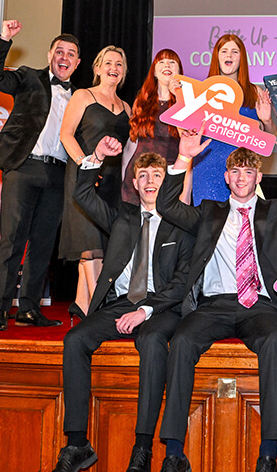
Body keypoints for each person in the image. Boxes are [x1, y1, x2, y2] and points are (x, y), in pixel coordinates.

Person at [155, 125, 277, 472]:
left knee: (274, 342)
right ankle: (173, 451)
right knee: (183, 340)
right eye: (235, 170)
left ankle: (268, 453)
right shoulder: (208, 211)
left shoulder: (276, 211)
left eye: (248, 171)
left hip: (261, 305)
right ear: (226, 176)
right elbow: (167, 206)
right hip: (216, 303)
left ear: (258, 176)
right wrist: (184, 156)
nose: (241, 177)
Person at [51, 141, 195, 472]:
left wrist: (145, 311)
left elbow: (180, 283)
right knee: (75, 340)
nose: (149, 181)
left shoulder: (182, 222)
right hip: (120, 303)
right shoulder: (123, 217)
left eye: (156, 175)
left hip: (161, 308)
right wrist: (97, 157)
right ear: (133, 181)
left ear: (166, 180)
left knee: (151, 340)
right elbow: (83, 195)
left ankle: (142, 448)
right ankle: (76, 444)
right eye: (142, 174)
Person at [0, 20, 80, 331]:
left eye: (71, 54)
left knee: (42, 245)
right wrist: (4, 39)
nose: (65, 57)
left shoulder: (80, 97)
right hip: (24, 167)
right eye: (60, 51)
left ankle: (28, 309)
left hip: (57, 174)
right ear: (50, 54)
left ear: (78, 63)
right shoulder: (29, 78)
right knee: (12, 242)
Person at [58, 45, 131, 318]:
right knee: (90, 246)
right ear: (97, 68)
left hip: (112, 184)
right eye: (108, 62)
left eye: (119, 64)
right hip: (84, 178)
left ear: (123, 73)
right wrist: (86, 164)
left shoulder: (127, 107)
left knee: (101, 244)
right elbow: (66, 135)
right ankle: (99, 314)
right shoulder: (83, 96)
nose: (114, 67)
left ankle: (81, 303)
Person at [190, 34, 276, 206]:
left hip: (242, 173)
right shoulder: (201, 92)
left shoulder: (255, 92)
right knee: (209, 226)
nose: (228, 56)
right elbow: (189, 135)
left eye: (234, 52)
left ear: (241, 58)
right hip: (207, 168)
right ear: (217, 57)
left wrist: (266, 121)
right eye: (224, 51)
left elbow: (270, 141)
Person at [121, 49, 183, 204]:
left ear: (179, 71)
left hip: (168, 177)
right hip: (138, 177)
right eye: (161, 62)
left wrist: (178, 97)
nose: (166, 65)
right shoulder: (142, 102)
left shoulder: (187, 103)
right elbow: (131, 145)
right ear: (154, 72)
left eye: (172, 62)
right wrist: (123, 178)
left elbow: (188, 142)